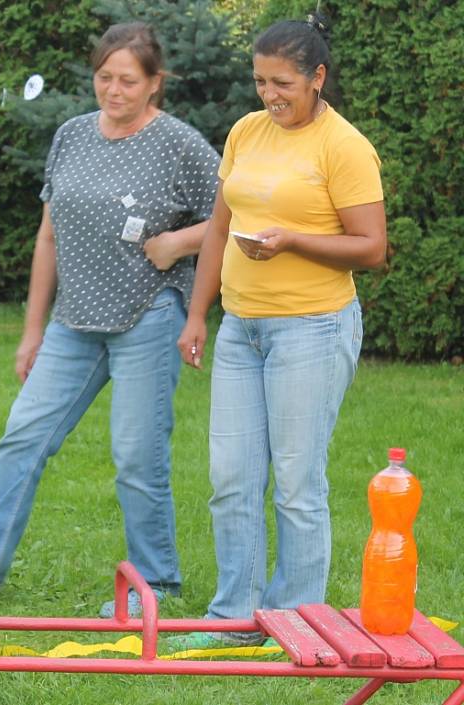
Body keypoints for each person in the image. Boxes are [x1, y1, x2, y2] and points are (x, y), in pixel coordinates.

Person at [0, 21, 220, 618]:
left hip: (149, 314)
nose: (113, 90)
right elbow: (48, 238)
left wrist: (177, 244)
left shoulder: (180, 144)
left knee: (137, 456)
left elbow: (233, 215)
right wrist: (33, 332)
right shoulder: (70, 136)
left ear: (154, 83)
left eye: (128, 80)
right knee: (23, 436)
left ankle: (157, 586)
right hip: (74, 321)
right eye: (104, 77)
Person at [169, 13, 386, 650]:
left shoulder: (343, 147)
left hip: (313, 331)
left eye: (283, 82)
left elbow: (371, 247)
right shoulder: (245, 132)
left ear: (317, 78)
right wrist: (197, 314)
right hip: (243, 328)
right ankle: (235, 619)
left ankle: (300, 624)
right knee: (232, 477)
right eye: (261, 81)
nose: (270, 95)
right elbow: (217, 228)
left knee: (296, 483)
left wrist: (292, 239)